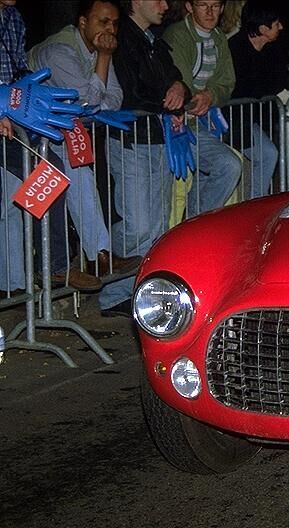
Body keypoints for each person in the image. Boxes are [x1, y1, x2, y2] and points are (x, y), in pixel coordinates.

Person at [27, 0, 143, 280]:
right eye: (103, 21)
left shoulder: (98, 48)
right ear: (82, 22)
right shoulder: (59, 50)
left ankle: (98, 255)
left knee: (81, 179)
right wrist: (104, 58)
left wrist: (102, 62)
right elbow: (89, 101)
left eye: (114, 23)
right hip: (31, 136)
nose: (110, 29)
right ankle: (43, 275)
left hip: (60, 134)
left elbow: (113, 100)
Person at [0, 0, 102, 293]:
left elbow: (18, 72)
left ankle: (22, 285)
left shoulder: (14, 18)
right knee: (43, 174)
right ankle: (44, 272)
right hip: (6, 117)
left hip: (13, 118)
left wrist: (34, 99)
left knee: (36, 181)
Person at [102, 0, 191, 316]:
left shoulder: (153, 39)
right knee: (138, 222)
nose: (165, 5)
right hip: (131, 139)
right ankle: (108, 280)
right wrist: (170, 102)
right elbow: (129, 93)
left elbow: (177, 81)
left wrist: (180, 88)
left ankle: (134, 289)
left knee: (154, 223)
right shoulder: (122, 40)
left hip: (156, 138)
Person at [163, 0, 243, 208]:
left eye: (215, 6)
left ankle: (195, 221)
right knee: (227, 166)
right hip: (173, 126)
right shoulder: (177, 35)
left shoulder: (218, 38)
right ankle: (194, 223)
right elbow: (181, 82)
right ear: (189, 7)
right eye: (202, 5)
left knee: (227, 167)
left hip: (200, 124)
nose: (210, 12)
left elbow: (227, 82)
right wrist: (203, 96)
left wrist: (210, 95)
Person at [226, 0, 289, 198]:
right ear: (263, 28)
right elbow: (242, 88)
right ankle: (255, 203)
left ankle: (256, 200)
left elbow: (278, 81)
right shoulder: (234, 49)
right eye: (276, 23)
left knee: (266, 155)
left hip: (257, 120)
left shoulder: (272, 50)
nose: (281, 27)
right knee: (267, 154)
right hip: (233, 120)